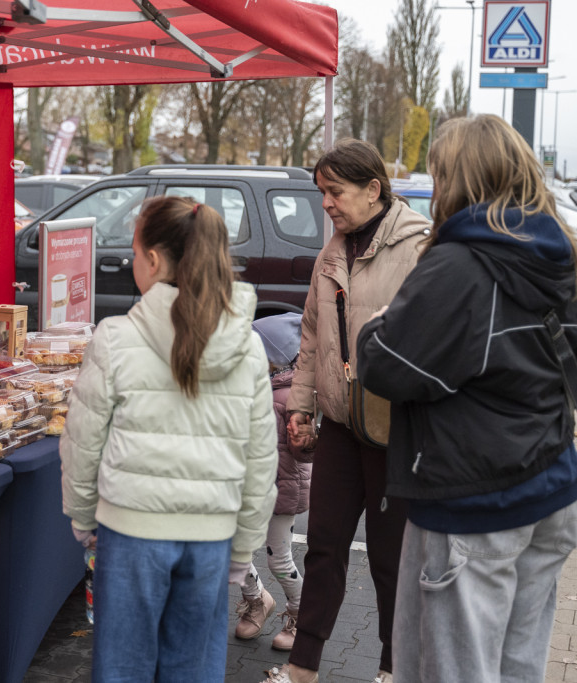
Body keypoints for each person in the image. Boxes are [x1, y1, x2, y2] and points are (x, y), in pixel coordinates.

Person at [356, 114, 577, 683]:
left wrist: (374, 327)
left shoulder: (461, 263)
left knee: (457, 670)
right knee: (519, 664)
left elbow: (389, 366)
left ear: (456, 179)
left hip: (474, 496)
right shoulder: (561, 253)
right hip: (550, 484)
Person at [60, 195, 279, 681]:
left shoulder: (115, 337)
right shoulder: (246, 346)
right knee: (193, 669)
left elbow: (83, 440)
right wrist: (243, 549)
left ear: (154, 260)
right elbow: (261, 459)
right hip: (211, 536)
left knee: (122, 668)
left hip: (131, 531)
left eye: (135, 252)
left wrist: (81, 515)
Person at [262, 139, 430, 683]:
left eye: (334, 192)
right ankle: (302, 667)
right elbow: (312, 338)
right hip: (337, 424)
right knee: (325, 548)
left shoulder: (420, 246)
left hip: (394, 430)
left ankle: (391, 667)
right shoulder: (332, 251)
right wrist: (304, 407)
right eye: (321, 193)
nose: (327, 204)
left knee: (390, 561)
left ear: (373, 189)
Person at [235, 312, 313, 651]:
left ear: (277, 358)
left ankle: (300, 615)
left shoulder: (293, 396)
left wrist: (305, 440)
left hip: (282, 491)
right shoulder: (254, 388)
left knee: (279, 559)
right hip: (248, 489)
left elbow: (306, 452)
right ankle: (257, 600)